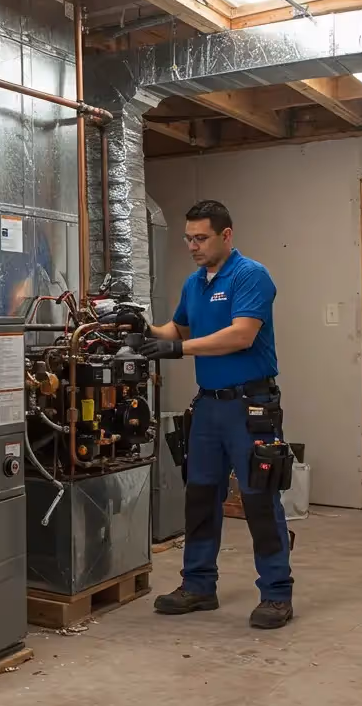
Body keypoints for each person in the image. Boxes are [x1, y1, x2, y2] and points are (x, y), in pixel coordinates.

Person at [103, 200, 293, 629]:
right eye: (189, 238)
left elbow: (242, 335)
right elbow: (179, 330)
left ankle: (277, 593)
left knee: (260, 500)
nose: (192, 245)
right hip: (208, 406)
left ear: (227, 235)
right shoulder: (195, 283)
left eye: (201, 238)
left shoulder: (251, 276)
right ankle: (198, 585)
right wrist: (143, 329)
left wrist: (178, 349)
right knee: (200, 498)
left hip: (251, 406)